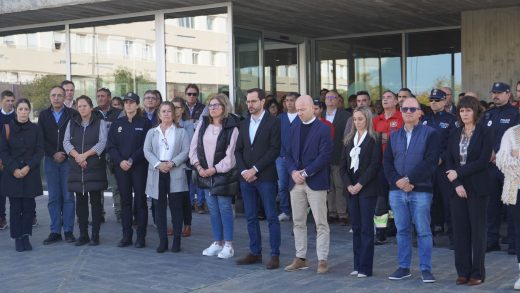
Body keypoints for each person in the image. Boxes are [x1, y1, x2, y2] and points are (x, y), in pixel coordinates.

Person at [384, 97, 440, 283]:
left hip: (421, 190)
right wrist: (398, 181)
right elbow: (387, 163)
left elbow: (431, 162)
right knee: (402, 231)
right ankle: (404, 267)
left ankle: (426, 269)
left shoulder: (431, 134)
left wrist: (410, 180)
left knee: (423, 231)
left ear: (419, 113)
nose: (408, 111)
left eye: (412, 109)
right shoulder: (394, 136)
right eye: (404, 108)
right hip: (397, 191)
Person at [445, 95, 493, 286]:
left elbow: (482, 161)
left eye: (468, 110)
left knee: (478, 233)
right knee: (460, 232)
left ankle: (477, 273)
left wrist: (457, 172)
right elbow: (448, 159)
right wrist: (456, 183)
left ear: (475, 112)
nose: (464, 114)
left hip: (478, 189)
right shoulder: (454, 133)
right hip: (457, 189)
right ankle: (463, 272)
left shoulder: (485, 132)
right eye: (462, 111)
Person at [284, 95, 332, 274]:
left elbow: (325, 155)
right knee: (298, 222)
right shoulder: (293, 126)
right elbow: (286, 154)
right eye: (297, 110)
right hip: (295, 182)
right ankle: (301, 257)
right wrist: (293, 172)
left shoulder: (323, 129)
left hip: (315, 181)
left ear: (313, 108)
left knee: (321, 222)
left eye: (303, 109)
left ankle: (322, 259)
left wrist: (305, 172)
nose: (299, 113)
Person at [235, 88, 281, 269]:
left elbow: (274, 149)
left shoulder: (273, 122)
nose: (250, 105)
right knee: (251, 217)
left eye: (253, 101)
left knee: (271, 217)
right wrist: (244, 171)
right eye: (248, 101)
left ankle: (275, 254)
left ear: (262, 102)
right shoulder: (244, 123)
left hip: (266, 177)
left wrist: (255, 169)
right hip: (246, 178)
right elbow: (238, 150)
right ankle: (255, 252)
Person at [189, 94, 239, 259]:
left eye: (216, 105)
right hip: (204, 174)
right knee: (213, 210)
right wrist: (198, 166)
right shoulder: (203, 124)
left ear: (224, 107)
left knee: (225, 208)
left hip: (222, 175)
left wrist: (214, 169)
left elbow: (231, 156)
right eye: (210, 105)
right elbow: (193, 148)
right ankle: (217, 242)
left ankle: (228, 244)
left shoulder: (232, 127)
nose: (213, 108)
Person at [340, 106, 382, 278]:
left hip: (367, 189)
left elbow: (374, 165)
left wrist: (360, 184)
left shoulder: (374, 139)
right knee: (356, 228)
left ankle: (365, 267)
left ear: (367, 120)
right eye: (355, 119)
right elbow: (342, 167)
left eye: (361, 119)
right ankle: (357, 265)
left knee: (366, 229)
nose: (357, 122)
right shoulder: (348, 139)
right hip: (351, 190)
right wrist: (349, 185)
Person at [144, 101, 190, 253]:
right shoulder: (152, 132)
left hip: (174, 170)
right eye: (163, 111)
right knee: (159, 208)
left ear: (174, 114)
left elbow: (185, 151)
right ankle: (162, 241)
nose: (166, 114)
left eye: (169, 111)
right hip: (157, 171)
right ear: (159, 114)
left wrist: (172, 163)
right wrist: (158, 164)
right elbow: (147, 151)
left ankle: (177, 240)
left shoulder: (181, 132)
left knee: (176, 207)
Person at [107, 92, 151, 248]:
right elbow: (110, 146)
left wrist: (132, 159)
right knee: (125, 201)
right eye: (126, 102)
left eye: (132, 102)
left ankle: (141, 237)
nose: (128, 105)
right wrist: (121, 161)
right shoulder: (117, 124)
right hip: (122, 168)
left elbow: (146, 146)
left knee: (140, 201)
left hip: (139, 167)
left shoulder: (145, 123)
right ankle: (126, 236)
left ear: (137, 105)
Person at [63, 95, 108, 246]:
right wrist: (77, 156)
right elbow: (66, 142)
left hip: (94, 167)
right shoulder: (72, 122)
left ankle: (95, 235)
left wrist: (85, 156)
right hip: (77, 169)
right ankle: (83, 235)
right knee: (80, 204)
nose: (82, 108)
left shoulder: (100, 122)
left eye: (84, 106)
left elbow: (102, 143)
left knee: (96, 203)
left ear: (91, 107)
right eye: (79, 106)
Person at [0, 98, 44, 251]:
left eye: (26, 109)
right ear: (16, 111)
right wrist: (14, 169)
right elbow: (3, 152)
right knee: (15, 207)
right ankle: (17, 238)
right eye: (20, 109)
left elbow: (40, 151)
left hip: (30, 173)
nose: (23, 112)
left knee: (28, 207)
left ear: (29, 111)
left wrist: (27, 167)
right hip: (12, 174)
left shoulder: (36, 128)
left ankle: (26, 235)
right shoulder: (7, 128)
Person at [482, 82, 520, 254]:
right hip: (490, 168)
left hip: (509, 169)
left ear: (508, 94)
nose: (495, 95)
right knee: (491, 206)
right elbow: (481, 137)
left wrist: (501, 154)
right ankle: (492, 241)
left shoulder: (515, 114)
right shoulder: (487, 114)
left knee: (511, 206)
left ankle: (514, 242)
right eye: (493, 92)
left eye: (499, 92)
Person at [38, 86, 77, 245]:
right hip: (50, 160)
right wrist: (53, 153)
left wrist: (66, 153)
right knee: (53, 197)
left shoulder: (72, 114)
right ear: (50, 97)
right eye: (53, 95)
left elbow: (75, 136)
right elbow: (40, 138)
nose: (56, 98)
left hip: (68, 160)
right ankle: (55, 231)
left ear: (64, 97)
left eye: (59, 95)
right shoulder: (43, 115)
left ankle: (68, 230)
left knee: (68, 196)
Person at [421, 89, 458, 247]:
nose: (433, 103)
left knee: (449, 203)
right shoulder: (424, 119)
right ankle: (427, 238)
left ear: (444, 101)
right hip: (428, 167)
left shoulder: (451, 120)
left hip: (444, 167)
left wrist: (442, 157)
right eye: (431, 100)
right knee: (427, 202)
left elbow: (453, 143)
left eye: (437, 100)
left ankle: (454, 239)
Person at [372, 90, 403, 245]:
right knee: (381, 199)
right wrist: (380, 138)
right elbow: (372, 140)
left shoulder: (402, 117)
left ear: (396, 101)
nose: (385, 100)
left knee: (397, 199)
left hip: (397, 166)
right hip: (380, 165)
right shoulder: (377, 119)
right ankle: (380, 233)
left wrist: (387, 138)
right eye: (383, 98)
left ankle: (397, 229)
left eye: (389, 97)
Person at [496, 122, 520, 290]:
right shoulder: (511, 133)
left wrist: (518, 155)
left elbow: (513, 160)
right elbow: (503, 161)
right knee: (519, 232)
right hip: (515, 191)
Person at [324, 90, 351, 225]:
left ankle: (342, 214)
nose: (329, 100)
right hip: (323, 158)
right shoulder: (320, 114)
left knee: (340, 185)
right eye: (327, 97)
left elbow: (348, 136)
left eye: (332, 97)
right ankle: (331, 212)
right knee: (328, 186)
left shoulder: (346, 115)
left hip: (339, 155)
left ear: (338, 100)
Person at [95, 87, 122, 223]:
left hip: (113, 156)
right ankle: (99, 215)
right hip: (96, 156)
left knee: (116, 186)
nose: (100, 98)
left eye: (103, 96)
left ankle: (120, 215)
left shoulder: (118, 113)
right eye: (98, 96)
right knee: (97, 186)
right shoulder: (92, 113)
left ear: (109, 98)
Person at [171, 97, 195, 237]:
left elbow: (189, 146)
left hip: (183, 165)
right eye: (172, 107)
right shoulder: (167, 124)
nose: (174, 110)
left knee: (183, 196)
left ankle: (187, 225)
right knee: (173, 198)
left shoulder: (187, 125)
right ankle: (176, 225)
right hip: (169, 166)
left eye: (178, 107)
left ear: (183, 110)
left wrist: (176, 161)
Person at [276, 92, 300, 222]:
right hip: (281, 158)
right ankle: (285, 210)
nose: (288, 103)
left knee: (297, 186)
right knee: (282, 185)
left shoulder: (302, 117)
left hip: (298, 159)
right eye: (286, 101)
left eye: (291, 100)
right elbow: (275, 139)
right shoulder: (280, 118)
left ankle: (298, 213)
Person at [184, 84, 207, 213]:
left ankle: (200, 203)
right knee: (188, 176)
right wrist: (192, 123)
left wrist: (193, 123)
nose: (192, 96)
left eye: (194, 94)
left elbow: (202, 124)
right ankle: (190, 202)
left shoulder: (203, 108)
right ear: (185, 94)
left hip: (199, 144)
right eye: (189, 94)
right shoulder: (182, 108)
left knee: (198, 175)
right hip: (185, 144)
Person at [0, 90, 16, 230]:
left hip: (15, 159)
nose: (10, 103)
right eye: (7, 100)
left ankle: (30, 216)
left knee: (17, 190)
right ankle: (1, 218)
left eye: (12, 101)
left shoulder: (18, 115)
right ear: (1, 101)